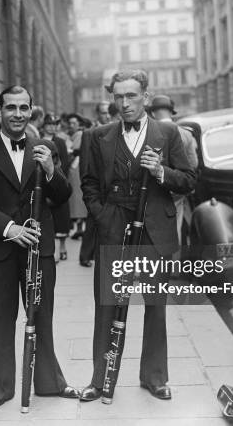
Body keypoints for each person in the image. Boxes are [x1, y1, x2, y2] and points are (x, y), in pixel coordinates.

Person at [79, 70, 196, 402]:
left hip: (154, 228)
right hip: (113, 226)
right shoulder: (96, 136)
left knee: (155, 306)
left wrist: (160, 171)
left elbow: (189, 180)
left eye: (131, 96)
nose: (124, 103)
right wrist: (102, 216)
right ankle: (100, 380)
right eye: (118, 96)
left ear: (146, 97)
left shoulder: (168, 133)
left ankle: (154, 377)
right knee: (107, 305)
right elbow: (87, 183)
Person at [0, 85, 79, 408]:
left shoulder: (44, 147)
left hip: (37, 250)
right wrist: (11, 228)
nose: (17, 114)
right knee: (1, 319)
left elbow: (62, 195)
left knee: (41, 316)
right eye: (11, 107)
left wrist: (52, 171)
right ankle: (0, 389)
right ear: (0, 111)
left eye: (23, 108)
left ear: (31, 111)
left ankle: (49, 383)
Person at [148, 95, 198, 264]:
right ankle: (173, 265)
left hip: (153, 187)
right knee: (175, 225)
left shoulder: (148, 132)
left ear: (153, 113)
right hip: (177, 188)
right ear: (171, 112)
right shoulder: (185, 134)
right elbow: (193, 164)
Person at [78, 101, 113, 267]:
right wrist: (87, 189)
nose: (106, 115)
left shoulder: (116, 130)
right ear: (97, 114)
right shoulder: (89, 133)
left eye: (108, 112)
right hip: (95, 187)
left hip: (112, 186)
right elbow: (84, 163)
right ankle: (85, 255)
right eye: (103, 113)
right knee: (92, 220)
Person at [42, 114, 71, 261]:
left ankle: (63, 246)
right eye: (49, 124)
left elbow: (65, 161)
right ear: (44, 125)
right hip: (43, 183)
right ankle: (51, 248)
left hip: (58, 181)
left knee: (61, 216)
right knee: (47, 218)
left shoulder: (60, 141)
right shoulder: (38, 141)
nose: (52, 127)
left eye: (55, 124)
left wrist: (59, 177)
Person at [67, 113, 88, 239]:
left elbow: (75, 150)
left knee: (78, 197)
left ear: (79, 124)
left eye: (74, 123)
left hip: (77, 166)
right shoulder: (72, 136)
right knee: (76, 198)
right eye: (70, 123)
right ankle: (79, 227)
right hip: (74, 167)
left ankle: (80, 227)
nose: (71, 125)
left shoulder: (79, 135)